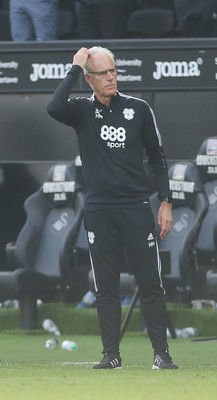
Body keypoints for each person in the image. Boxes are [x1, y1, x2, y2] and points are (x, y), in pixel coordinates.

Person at [47, 46, 178, 370]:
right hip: (99, 209)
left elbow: (158, 159)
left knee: (151, 283)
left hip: (135, 207)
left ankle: (162, 354)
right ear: (89, 79)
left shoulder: (139, 108)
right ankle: (111, 355)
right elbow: (53, 107)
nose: (111, 78)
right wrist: (75, 67)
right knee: (105, 286)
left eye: (114, 71)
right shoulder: (79, 111)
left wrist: (165, 202)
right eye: (103, 73)